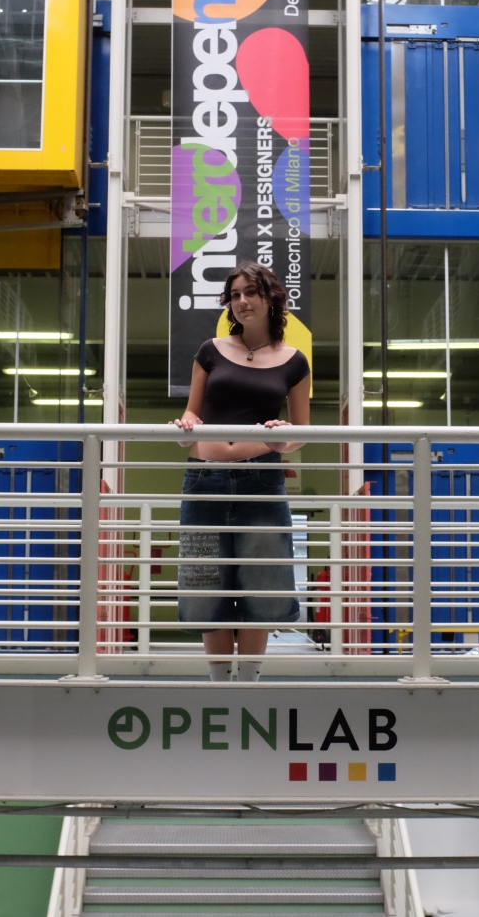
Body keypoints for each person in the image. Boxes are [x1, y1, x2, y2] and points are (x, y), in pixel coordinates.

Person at [171, 261, 311, 681]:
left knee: (262, 583)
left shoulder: (293, 361)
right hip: (204, 475)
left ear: (271, 298)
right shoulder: (210, 350)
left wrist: (284, 439)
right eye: (235, 295)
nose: (243, 301)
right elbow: (191, 412)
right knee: (204, 583)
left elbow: (302, 432)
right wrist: (185, 428)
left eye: (251, 292)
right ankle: (219, 689)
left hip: (260, 477)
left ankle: (247, 687)